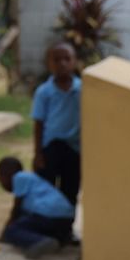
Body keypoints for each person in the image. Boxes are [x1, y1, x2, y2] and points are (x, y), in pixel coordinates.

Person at [32, 42, 82, 207]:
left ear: (74, 61)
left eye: (67, 59)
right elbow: (38, 123)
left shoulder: (82, 90)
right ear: (49, 63)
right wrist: (38, 154)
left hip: (74, 149)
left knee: (70, 191)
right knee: (47, 190)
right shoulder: (44, 92)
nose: (62, 63)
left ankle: (66, 222)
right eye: (57, 60)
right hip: (51, 149)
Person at [0, 155, 75, 259]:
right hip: (66, 219)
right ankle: (59, 239)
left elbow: (16, 211)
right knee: (28, 224)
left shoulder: (19, 177)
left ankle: (38, 241)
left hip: (49, 215)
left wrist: (5, 234)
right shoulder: (33, 180)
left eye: (0, 179)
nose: (1, 184)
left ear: (6, 174)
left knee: (13, 230)